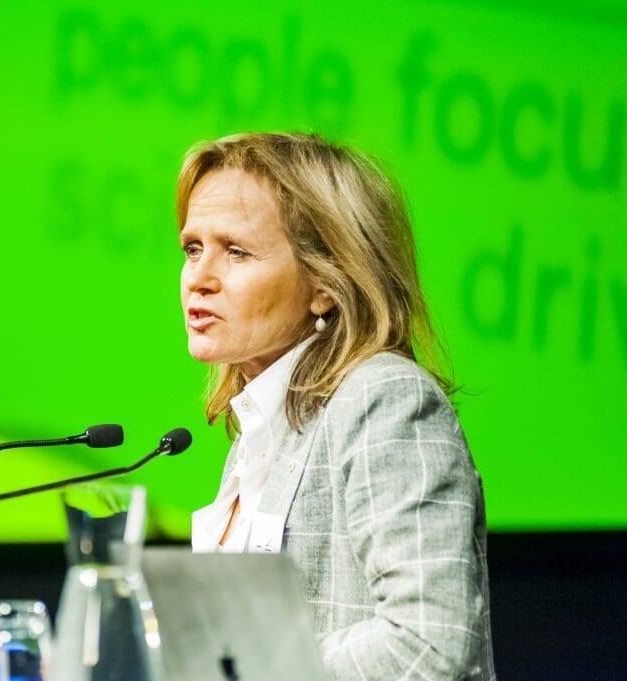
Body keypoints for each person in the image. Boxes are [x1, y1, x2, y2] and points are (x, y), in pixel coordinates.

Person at [178, 132, 495, 679]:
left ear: (325, 284)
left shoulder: (385, 400)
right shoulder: (263, 433)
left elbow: (429, 641)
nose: (199, 279)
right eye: (192, 248)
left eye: (236, 251)